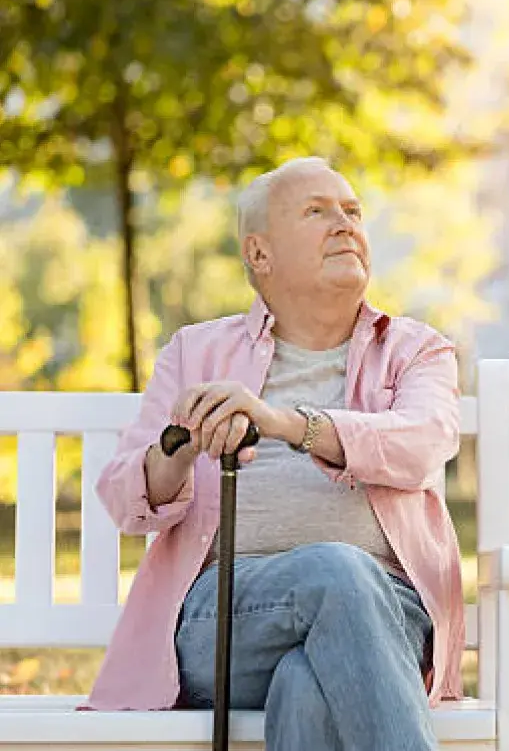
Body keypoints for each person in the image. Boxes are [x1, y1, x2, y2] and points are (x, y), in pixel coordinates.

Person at [83, 156, 465, 751]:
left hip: (389, 612)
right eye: (317, 211)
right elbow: (126, 503)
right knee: (335, 573)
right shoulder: (196, 352)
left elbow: (422, 445)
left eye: (352, 211)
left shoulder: (415, 350)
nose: (344, 223)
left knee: (307, 681)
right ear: (259, 255)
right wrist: (181, 444)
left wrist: (286, 423)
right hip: (227, 622)